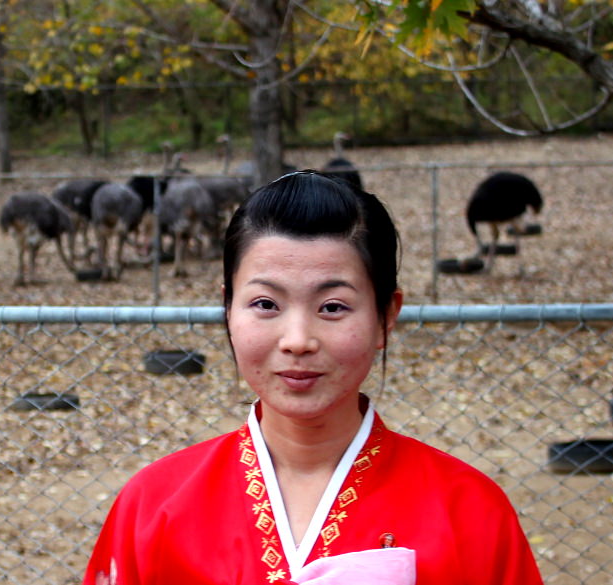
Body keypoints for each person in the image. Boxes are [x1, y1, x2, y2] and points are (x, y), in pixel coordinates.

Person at [83, 171, 544, 585]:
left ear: (387, 316)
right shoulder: (152, 508)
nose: (298, 340)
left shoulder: (471, 513)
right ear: (228, 310)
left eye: (333, 307)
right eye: (266, 304)